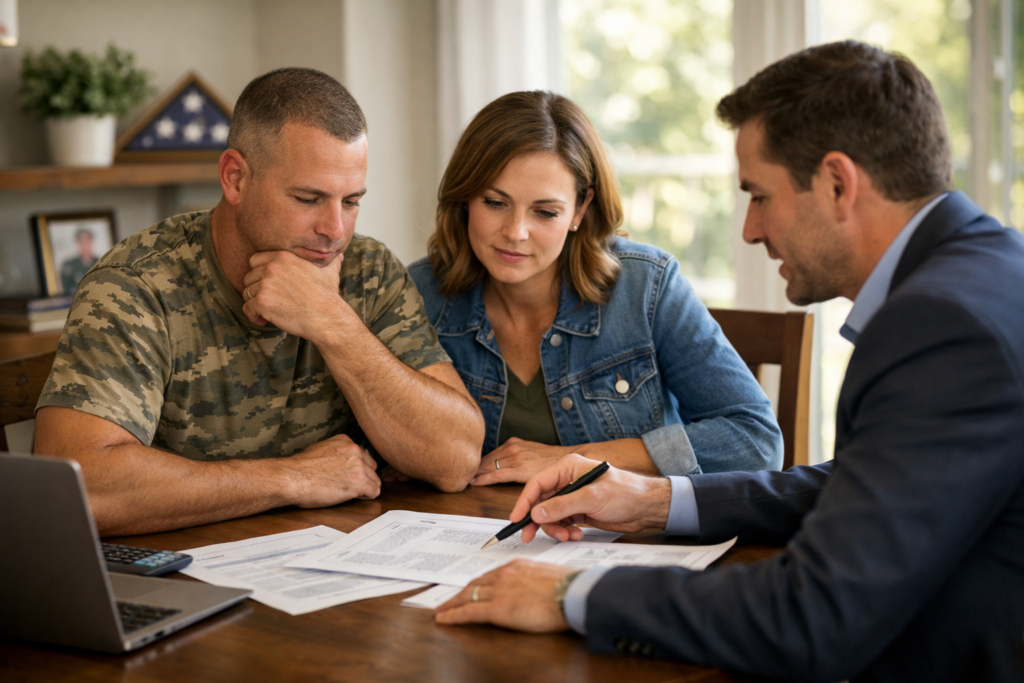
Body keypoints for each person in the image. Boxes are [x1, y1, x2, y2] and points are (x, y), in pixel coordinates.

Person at [434, 41, 1024, 683]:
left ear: (836, 184)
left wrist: (570, 596)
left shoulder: (940, 324)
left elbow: (813, 615)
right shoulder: (990, 274)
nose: (749, 230)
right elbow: (863, 483)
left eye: (759, 196)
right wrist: (653, 501)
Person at [34, 68, 484, 536]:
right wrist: (293, 478)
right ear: (235, 178)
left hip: (330, 572)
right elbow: (80, 488)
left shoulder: (367, 270)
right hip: (179, 580)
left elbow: (455, 460)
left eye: (351, 201)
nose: (336, 230)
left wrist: (332, 322)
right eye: (308, 198)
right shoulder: (135, 286)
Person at [408, 91, 782, 486]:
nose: (515, 232)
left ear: (580, 209)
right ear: (466, 196)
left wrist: (571, 460)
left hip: (628, 540)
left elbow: (756, 442)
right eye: (495, 203)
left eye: (545, 212)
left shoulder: (646, 286)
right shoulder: (419, 296)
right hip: (472, 536)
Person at [60, 227, 97, 294]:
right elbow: (67, 291)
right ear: (78, 244)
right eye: (82, 243)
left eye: (87, 242)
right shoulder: (70, 266)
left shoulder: (101, 262)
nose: (85, 246)